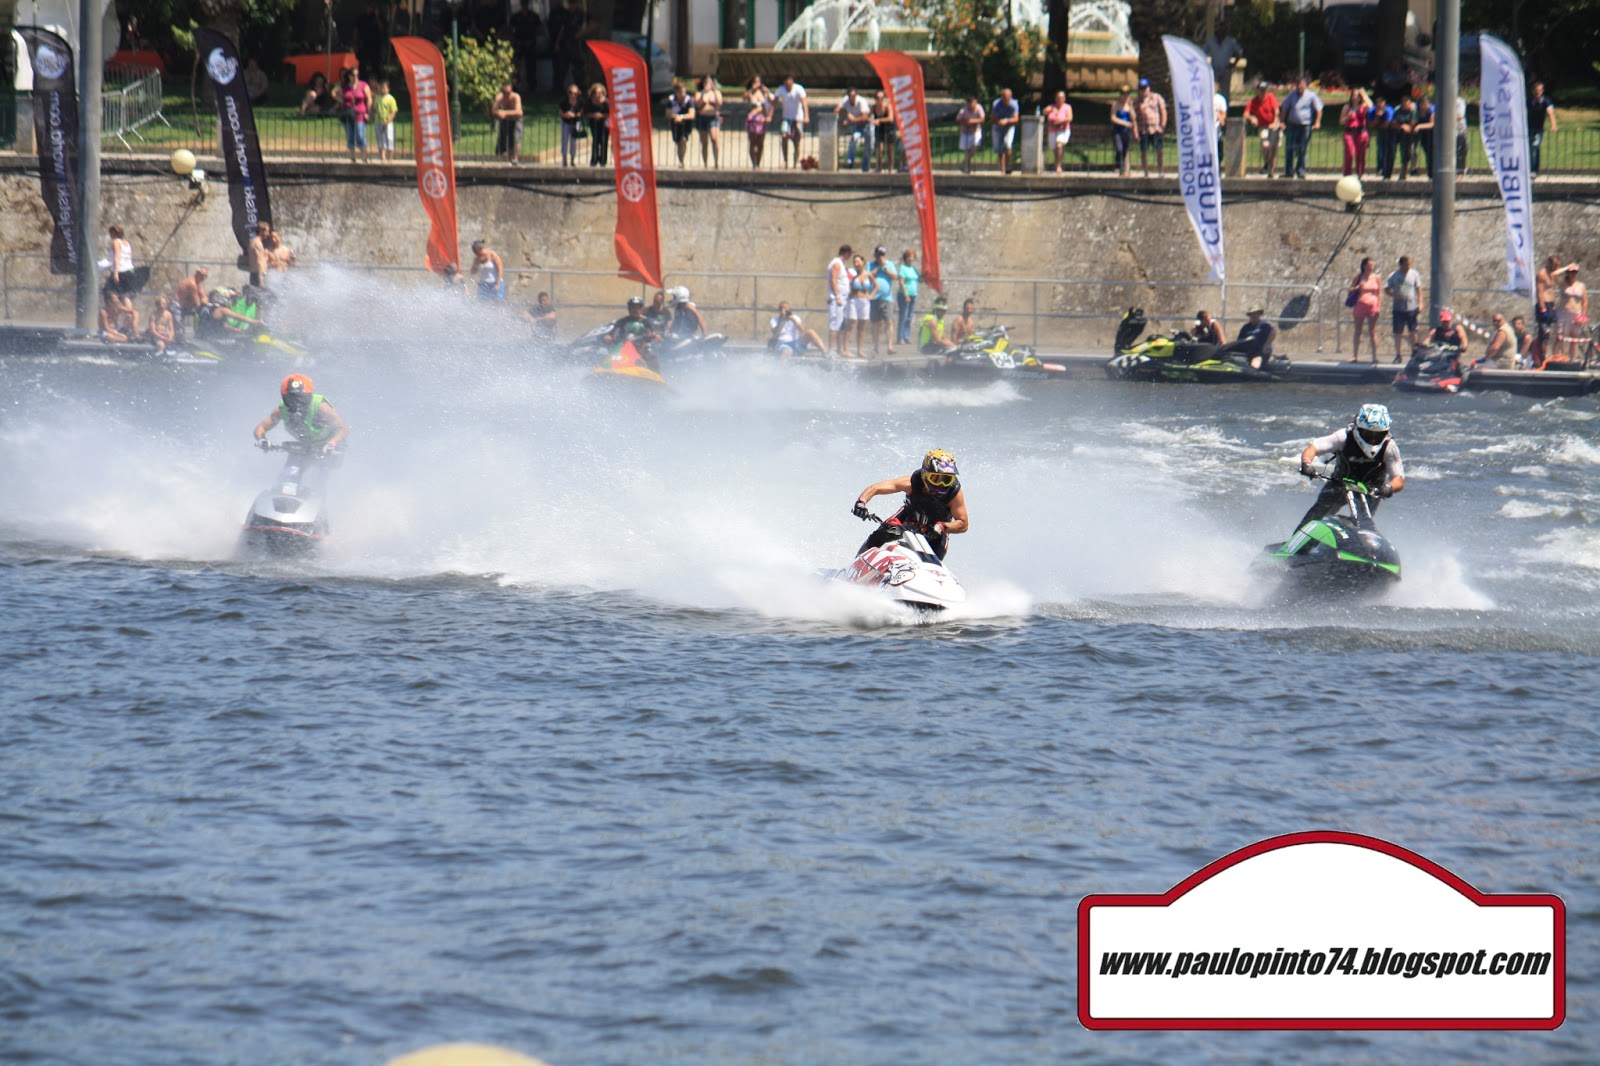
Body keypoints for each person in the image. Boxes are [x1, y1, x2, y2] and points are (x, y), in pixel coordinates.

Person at [1294, 403, 1404, 529]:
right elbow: (1314, 447)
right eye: (1369, 434)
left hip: (1371, 491)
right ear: (1359, 428)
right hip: (1338, 485)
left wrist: (1388, 488)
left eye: (1378, 435)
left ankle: (1359, 539)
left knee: (1364, 524)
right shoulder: (1343, 437)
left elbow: (1399, 479)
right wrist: (1306, 464)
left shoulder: (1390, 447)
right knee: (1317, 514)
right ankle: (1300, 537)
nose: (1373, 439)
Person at [852, 449, 969, 562]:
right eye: (935, 478)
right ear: (924, 474)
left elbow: (963, 523)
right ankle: (857, 563)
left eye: (947, 480)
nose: (941, 484)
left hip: (936, 531)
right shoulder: (911, 483)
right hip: (908, 518)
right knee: (878, 537)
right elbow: (875, 488)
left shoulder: (954, 493)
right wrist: (861, 503)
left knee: (935, 558)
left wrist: (941, 527)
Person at [254, 374, 350, 458]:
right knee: (290, 472)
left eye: (301, 398)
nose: (296, 402)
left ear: (308, 396)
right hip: (305, 449)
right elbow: (261, 428)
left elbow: (343, 428)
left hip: (330, 450)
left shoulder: (321, 407)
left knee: (323, 469)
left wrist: (331, 444)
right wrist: (262, 440)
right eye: (291, 398)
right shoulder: (281, 410)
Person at [1280, 75, 1321, 180]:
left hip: (1305, 126)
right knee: (1289, 148)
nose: (1299, 87)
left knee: (1302, 149)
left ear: (1305, 85)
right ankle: (1289, 172)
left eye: (1301, 85)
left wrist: (1317, 122)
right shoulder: (1291, 96)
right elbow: (1284, 108)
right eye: (1298, 85)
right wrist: (1282, 122)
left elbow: (1319, 109)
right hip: (1292, 125)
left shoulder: (1312, 95)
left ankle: (1301, 171)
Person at [1385, 255, 1424, 361]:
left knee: (1413, 331)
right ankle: (1398, 355)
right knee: (1398, 332)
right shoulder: (1393, 276)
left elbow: (1419, 289)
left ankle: (1414, 353)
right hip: (1398, 308)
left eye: (1409, 264)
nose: (1408, 266)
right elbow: (1386, 289)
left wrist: (1420, 303)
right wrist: (1394, 295)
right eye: (1406, 265)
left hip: (1412, 307)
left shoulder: (1414, 274)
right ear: (1401, 265)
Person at [1347, 256, 1383, 362]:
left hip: (1373, 306)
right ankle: (1355, 356)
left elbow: (1379, 293)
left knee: (1372, 331)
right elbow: (1350, 289)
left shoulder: (1376, 277)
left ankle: (1375, 356)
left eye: (1372, 265)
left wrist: (1378, 306)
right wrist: (1357, 288)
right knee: (1358, 331)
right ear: (1364, 266)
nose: (1371, 267)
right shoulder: (1359, 277)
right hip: (1360, 305)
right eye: (1369, 265)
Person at [1243, 81, 1280, 178]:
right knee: (1265, 145)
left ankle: (1271, 169)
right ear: (1257, 91)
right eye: (1261, 90)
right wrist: (1252, 118)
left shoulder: (1270, 97)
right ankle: (1267, 163)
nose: (1263, 92)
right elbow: (1245, 113)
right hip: (1263, 126)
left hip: (1274, 125)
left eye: (1264, 90)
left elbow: (1276, 111)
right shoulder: (1253, 101)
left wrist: (1275, 122)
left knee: (1273, 147)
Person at [1134, 78, 1168, 176]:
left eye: (1145, 88)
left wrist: (1162, 126)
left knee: (1159, 150)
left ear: (1149, 88)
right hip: (1143, 129)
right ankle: (1145, 172)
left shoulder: (1157, 97)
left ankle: (1160, 171)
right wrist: (1136, 131)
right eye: (1141, 88)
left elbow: (1163, 111)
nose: (1143, 90)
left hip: (1156, 128)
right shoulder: (1137, 101)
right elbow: (1134, 116)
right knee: (1144, 151)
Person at [868, 245, 898, 355]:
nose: (881, 257)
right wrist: (878, 268)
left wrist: (885, 268)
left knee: (889, 322)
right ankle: (875, 347)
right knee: (875, 323)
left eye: (882, 255)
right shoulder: (870, 265)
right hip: (874, 297)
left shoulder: (890, 264)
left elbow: (894, 276)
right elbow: (868, 275)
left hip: (887, 298)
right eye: (879, 255)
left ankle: (890, 346)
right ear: (875, 255)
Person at [339, 66, 372, 163]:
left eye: (357, 75)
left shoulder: (363, 85)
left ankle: (364, 157)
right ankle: (352, 158)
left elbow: (369, 99)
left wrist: (367, 112)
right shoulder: (345, 86)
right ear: (349, 76)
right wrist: (341, 100)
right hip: (349, 114)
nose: (356, 77)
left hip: (360, 114)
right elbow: (334, 92)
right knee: (350, 136)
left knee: (360, 135)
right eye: (353, 75)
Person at [1554, 264, 1588, 359]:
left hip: (1576, 314)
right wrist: (1567, 267)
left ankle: (1572, 359)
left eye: (1575, 272)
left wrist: (1583, 315)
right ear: (1568, 273)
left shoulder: (1581, 285)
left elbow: (1585, 301)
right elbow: (1554, 274)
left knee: (1574, 339)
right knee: (1559, 337)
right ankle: (1555, 358)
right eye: (1571, 272)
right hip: (1564, 313)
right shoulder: (1563, 284)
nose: (1573, 274)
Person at [774, 74, 808, 168]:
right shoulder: (781, 89)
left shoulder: (799, 89)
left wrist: (806, 116)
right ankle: (785, 160)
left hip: (797, 118)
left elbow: (804, 102)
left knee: (796, 140)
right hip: (786, 118)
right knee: (784, 136)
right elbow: (774, 102)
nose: (788, 82)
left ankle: (795, 162)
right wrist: (770, 115)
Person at [509, 0, 543, 94]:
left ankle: (532, 88)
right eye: (523, 4)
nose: (525, 6)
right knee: (516, 67)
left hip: (531, 44)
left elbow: (539, 29)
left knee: (531, 67)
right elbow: (511, 30)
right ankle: (515, 87)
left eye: (526, 4)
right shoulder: (516, 17)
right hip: (519, 44)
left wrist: (532, 40)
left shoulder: (534, 16)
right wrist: (516, 41)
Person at [837, 87, 873, 172]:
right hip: (857, 126)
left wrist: (852, 120)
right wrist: (847, 115)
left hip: (867, 125)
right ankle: (850, 161)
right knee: (853, 140)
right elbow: (837, 110)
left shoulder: (861, 101)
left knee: (868, 145)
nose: (852, 98)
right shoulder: (845, 100)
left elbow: (864, 116)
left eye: (853, 96)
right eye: (850, 96)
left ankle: (865, 165)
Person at [1202, 22, 1244, 92]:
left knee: (1225, 92)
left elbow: (1240, 53)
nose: (1221, 32)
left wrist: (1234, 64)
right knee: (1213, 91)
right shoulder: (1211, 41)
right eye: (1220, 30)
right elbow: (1202, 53)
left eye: (1223, 30)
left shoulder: (1231, 41)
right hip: (1214, 70)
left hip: (1226, 71)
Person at [826, 244, 852, 356]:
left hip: (843, 298)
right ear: (846, 253)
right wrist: (837, 296)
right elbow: (833, 280)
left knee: (839, 324)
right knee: (834, 324)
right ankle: (831, 350)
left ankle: (836, 350)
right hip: (837, 299)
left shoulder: (841, 264)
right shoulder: (836, 263)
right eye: (849, 254)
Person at [1232, 304, 1276, 369]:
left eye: (1256, 313)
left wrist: (1266, 345)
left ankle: (1254, 372)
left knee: (1254, 365)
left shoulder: (1264, 325)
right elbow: (1240, 341)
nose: (1254, 315)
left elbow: (1273, 332)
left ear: (1259, 314)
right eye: (1252, 314)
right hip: (1248, 353)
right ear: (1249, 315)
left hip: (1260, 353)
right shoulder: (1245, 327)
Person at [744, 76, 773, 168]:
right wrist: (751, 90)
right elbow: (744, 97)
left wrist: (767, 92)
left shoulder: (763, 93)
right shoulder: (750, 93)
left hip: (762, 118)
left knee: (760, 143)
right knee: (752, 142)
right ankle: (754, 163)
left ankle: (758, 163)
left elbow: (772, 101)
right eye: (755, 82)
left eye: (758, 82)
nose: (757, 84)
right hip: (752, 118)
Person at [693, 75, 722, 168]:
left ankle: (716, 162)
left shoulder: (716, 93)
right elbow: (698, 104)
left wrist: (714, 91)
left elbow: (719, 103)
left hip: (713, 117)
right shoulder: (699, 93)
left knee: (715, 139)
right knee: (704, 142)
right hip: (702, 118)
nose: (708, 84)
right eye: (706, 82)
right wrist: (703, 94)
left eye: (710, 82)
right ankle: (705, 164)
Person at [1341, 88, 1371, 177]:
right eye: (1354, 95)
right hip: (1349, 132)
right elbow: (1341, 121)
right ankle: (1347, 174)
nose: (1356, 97)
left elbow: (1371, 106)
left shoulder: (1363, 106)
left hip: (1361, 133)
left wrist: (1364, 94)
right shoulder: (1347, 107)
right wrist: (1348, 117)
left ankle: (1359, 174)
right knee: (1350, 153)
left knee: (1360, 155)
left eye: (1358, 96)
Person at [1528, 82, 1556, 177]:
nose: (1538, 92)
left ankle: (1534, 170)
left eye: (1540, 90)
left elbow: (1550, 113)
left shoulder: (1546, 101)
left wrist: (1553, 125)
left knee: (1535, 147)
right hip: (1529, 128)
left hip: (1539, 129)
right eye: (1536, 91)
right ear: (1533, 91)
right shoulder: (1529, 101)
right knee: (1530, 149)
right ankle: (1530, 168)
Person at [847, 254, 872, 358]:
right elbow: (848, 287)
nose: (856, 264)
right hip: (854, 300)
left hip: (864, 301)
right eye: (854, 262)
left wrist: (871, 295)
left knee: (861, 327)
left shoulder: (868, 274)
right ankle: (846, 349)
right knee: (851, 323)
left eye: (858, 262)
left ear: (863, 262)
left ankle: (860, 350)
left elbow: (876, 285)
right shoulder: (852, 274)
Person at [491, 82, 523, 165]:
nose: (507, 95)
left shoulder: (515, 97)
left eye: (508, 93)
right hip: (505, 121)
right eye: (505, 93)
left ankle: (515, 158)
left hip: (515, 120)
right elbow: (494, 110)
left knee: (516, 138)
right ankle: (506, 159)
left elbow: (519, 112)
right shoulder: (499, 98)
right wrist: (499, 113)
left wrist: (505, 113)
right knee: (503, 139)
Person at [991, 87, 1020, 175]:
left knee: (1007, 145)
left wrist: (1007, 121)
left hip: (1009, 126)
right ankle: (1003, 168)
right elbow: (993, 118)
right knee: (1000, 148)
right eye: (1004, 97)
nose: (1006, 99)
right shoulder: (996, 104)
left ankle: (1008, 165)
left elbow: (1016, 119)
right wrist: (999, 122)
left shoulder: (1014, 104)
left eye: (1007, 97)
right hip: (997, 127)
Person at [895, 248, 920, 347]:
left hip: (913, 295)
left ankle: (906, 336)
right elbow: (901, 282)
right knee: (903, 316)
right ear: (905, 258)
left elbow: (919, 279)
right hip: (904, 295)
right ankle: (900, 337)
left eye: (912, 257)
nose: (911, 258)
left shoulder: (914, 269)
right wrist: (906, 295)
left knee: (909, 317)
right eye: (909, 256)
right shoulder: (903, 268)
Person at [106, 224, 141, 295]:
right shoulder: (126, 242)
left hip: (120, 271)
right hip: (129, 270)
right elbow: (129, 257)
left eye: (111, 232)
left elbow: (117, 257)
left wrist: (116, 273)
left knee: (109, 293)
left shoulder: (116, 242)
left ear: (114, 233)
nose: (110, 235)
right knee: (124, 295)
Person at [1045, 91, 1073, 174]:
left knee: (1059, 145)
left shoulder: (1067, 107)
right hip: (1052, 130)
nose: (1060, 99)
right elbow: (1044, 111)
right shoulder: (1052, 107)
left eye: (1061, 98)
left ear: (1064, 99)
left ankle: (1058, 165)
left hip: (1063, 130)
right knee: (1054, 148)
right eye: (1058, 98)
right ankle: (1056, 162)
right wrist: (1052, 110)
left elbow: (1069, 118)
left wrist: (1059, 122)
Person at [1393, 94, 1420, 180]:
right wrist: (1402, 126)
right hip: (1401, 134)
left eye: (1407, 103)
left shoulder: (1414, 110)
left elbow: (1414, 121)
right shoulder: (1397, 110)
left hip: (1412, 134)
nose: (1405, 105)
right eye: (1403, 104)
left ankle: (1414, 169)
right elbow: (1394, 122)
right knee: (1403, 152)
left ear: (1410, 103)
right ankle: (1403, 172)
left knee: (1412, 150)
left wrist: (1408, 127)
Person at [174, 267, 209, 332]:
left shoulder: (198, 283)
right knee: (178, 316)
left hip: (189, 306)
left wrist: (204, 300)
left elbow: (204, 296)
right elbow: (197, 302)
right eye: (202, 276)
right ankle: (179, 334)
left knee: (205, 310)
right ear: (198, 274)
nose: (203, 278)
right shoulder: (192, 283)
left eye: (205, 277)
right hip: (179, 306)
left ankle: (201, 332)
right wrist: (203, 303)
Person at [1110, 86, 1134, 177]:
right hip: (1118, 130)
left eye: (1127, 94)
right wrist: (1124, 123)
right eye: (1123, 94)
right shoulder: (1116, 105)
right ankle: (1118, 165)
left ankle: (1124, 168)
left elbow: (1133, 117)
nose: (1125, 96)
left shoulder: (1129, 106)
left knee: (1125, 149)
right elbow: (1113, 118)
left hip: (1126, 132)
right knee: (1119, 148)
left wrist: (1131, 106)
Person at [956, 96, 985, 173]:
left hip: (976, 131)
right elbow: (958, 119)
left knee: (976, 146)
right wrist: (965, 122)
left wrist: (972, 121)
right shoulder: (963, 111)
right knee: (967, 151)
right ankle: (968, 168)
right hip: (965, 132)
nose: (974, 105)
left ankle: (964, 162)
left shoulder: (979, 108)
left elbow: (982, 119)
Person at [872, 89, 898, 172]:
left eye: (881, 98)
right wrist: (872, 121)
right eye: (878, 98)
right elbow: (868, 116)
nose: (879, 100)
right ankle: (879, 167)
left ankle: (890, 168)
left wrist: (879, 120)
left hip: (889, 127)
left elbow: (890, 118)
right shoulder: (874, 107)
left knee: (889, 149)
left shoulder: (887, 106)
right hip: (880, 128)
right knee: (880, 149)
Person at [558, 84, 584, 167]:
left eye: (575, 93)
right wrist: (566, 114)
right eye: (570, 93)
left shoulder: (580, 101)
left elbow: (581, 112)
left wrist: (575, 115)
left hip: (575, 123)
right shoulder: (564, 101)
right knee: (564, 140)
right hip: (565, 122)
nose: (572, 95)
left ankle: (572, 160)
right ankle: (564, 159)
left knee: (574, 141)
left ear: (578, 93)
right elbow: (560, 112)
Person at [1373, 95, 1398, 180]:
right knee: (1381, 151)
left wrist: (1378, 124)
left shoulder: (1388, 110)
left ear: (1384, 103)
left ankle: (1387, 172)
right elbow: (1372, 125)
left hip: (1392, 133)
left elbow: (1387, 123)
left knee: (1390, 153)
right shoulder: (1373, 110)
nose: (1379, 104)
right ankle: (1381, 169)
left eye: (1381, 102)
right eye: (1377, 103)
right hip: (1382, 133)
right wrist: (1377, 116)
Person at [586, 82, 610, 167]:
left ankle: (603, 160)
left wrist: (602, 116)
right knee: (595, 140)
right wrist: (594, 115)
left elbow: (610, 113)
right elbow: (586, 112)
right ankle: (594, 159)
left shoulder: (606, 102)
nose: (597, 95)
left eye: (599, 93)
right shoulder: (589, 101)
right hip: (594, 123)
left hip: (604, 123)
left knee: (603, 140)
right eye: (595, 93)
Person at [374, 78, 398, 163]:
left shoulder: (391, 98)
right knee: (381, 140)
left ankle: (390, 158)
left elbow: (393, 112)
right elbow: (375, 108)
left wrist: (387, 121)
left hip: (388, 123)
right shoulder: (377, 98)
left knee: (389, 139)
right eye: (381, 88)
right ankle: (383, 157)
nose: (382, 89)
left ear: (388, 89)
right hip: (378, 122)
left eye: (384, 88)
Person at [247, 221, 272, 287]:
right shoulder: (258, 243)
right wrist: (261, 279)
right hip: (258, 275)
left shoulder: (253, 241)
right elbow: (259, 261)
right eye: (267, 231)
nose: (268, 234)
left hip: (255, 274)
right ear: (262, 231)